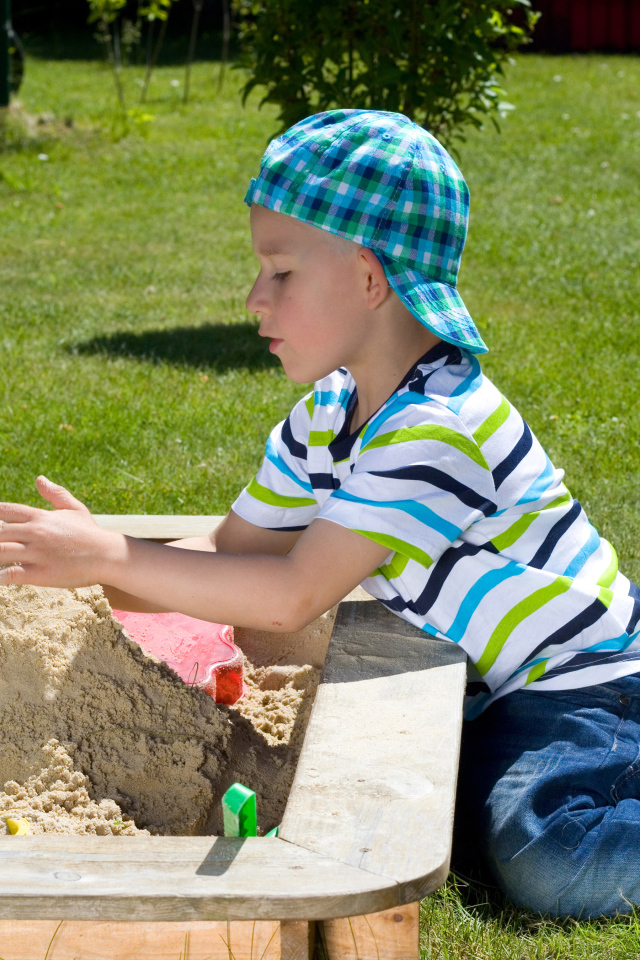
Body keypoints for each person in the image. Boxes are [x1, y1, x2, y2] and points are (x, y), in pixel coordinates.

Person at [1, 109, 639, 918]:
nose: (252, 300)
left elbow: (293, 594)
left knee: (552, 863)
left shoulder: (436, 430)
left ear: (370, 280)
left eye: (281, 274)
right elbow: (231, 554)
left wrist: (109, 558)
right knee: (461, 805)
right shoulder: (330, 413)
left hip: (588, 685)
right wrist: (77, 568)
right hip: (497, 689)